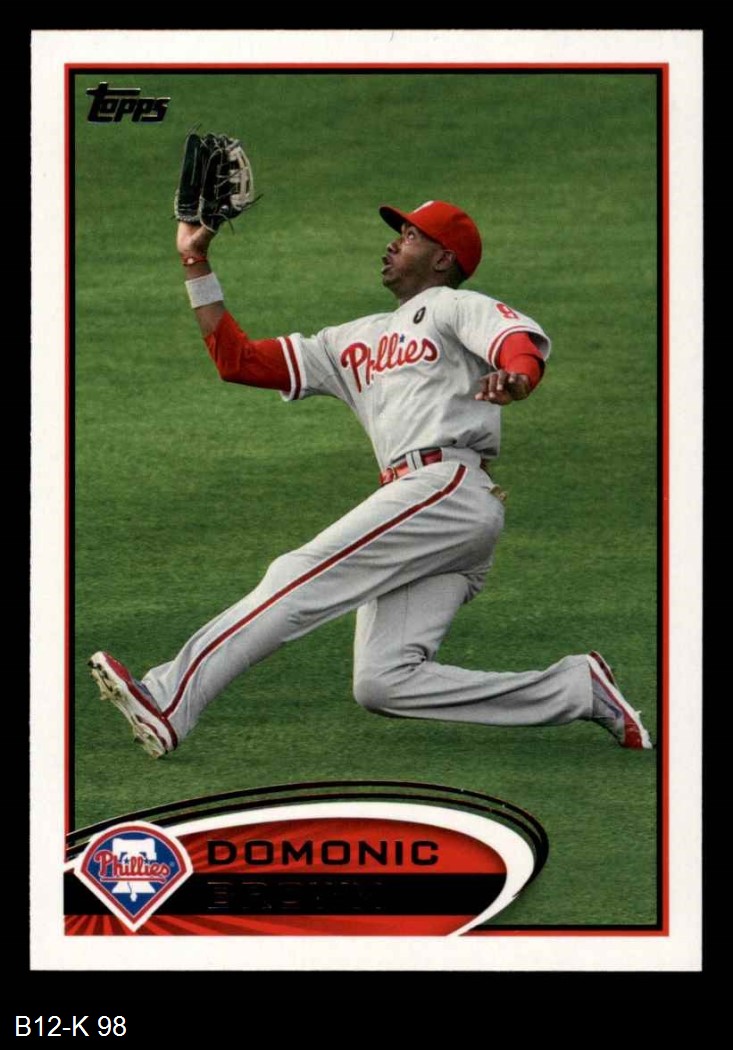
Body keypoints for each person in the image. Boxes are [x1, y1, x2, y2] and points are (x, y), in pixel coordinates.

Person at [89, 200, 652, 757]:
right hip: (434, 510)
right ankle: (576, 689)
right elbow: (238, 361)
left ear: (443, 258)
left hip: (444, 489)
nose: (393, 243)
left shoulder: (453, 306)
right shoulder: (352, 339)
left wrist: (518, 379)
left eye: (410, 235)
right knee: (384, 681)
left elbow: (516, 345)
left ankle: (169, 698)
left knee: (296, 575)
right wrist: (195, 261)